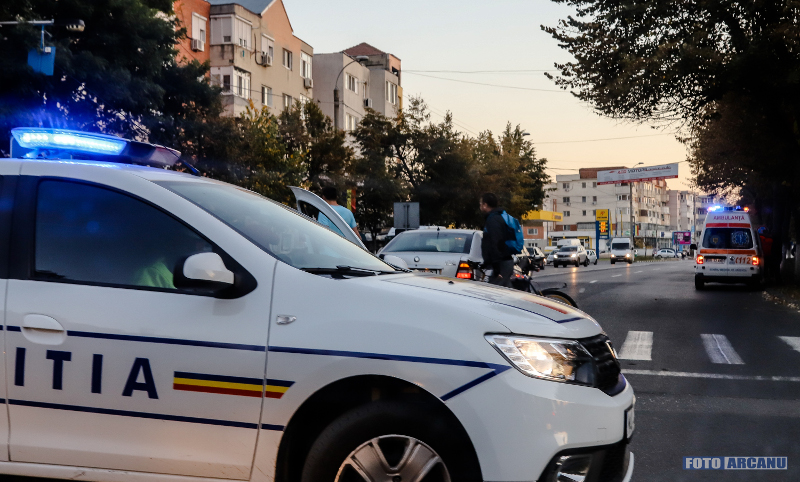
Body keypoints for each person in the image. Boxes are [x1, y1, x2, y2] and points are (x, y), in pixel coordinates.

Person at [480, 193, 514, 286]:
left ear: (485, 205)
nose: (480, 206)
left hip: (501, 263)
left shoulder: (493, 219)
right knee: (505, 290)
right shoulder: (496, 217)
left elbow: (496, 242)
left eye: (481, 204)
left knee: (494, 291)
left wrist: (496, 266)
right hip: (503, 262)